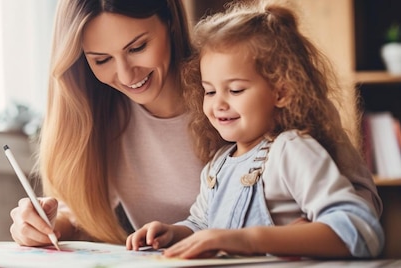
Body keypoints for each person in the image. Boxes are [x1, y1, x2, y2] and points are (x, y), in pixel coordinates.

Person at [126, 0, 384, 259]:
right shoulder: (219, 165)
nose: (218, 104)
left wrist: (249, 239)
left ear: (281, 92)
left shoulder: (290, 150)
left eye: (235, 90)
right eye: (210, 91)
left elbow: (360, 230)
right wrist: (174, 232)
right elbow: (203, 225)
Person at [9, 0, 205, 246]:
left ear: (170, 21)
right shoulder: (103, 114)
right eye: (102, 60)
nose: (125, 75)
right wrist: (44, 224)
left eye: (138, 47)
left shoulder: (229, 90)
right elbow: (84, 219)